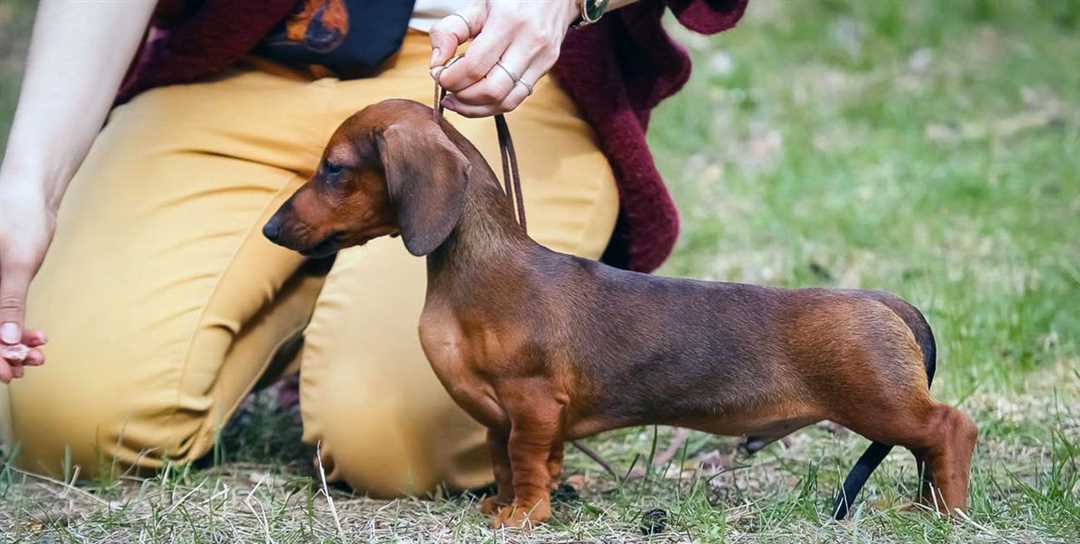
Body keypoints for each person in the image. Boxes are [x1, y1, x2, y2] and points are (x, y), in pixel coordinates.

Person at [0, 0, 746, 496]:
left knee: (393, 440)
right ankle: (305, 281)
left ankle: (336, 301)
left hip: (494, 79)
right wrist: (28, 183)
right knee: (69, 422)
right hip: (241, 61)